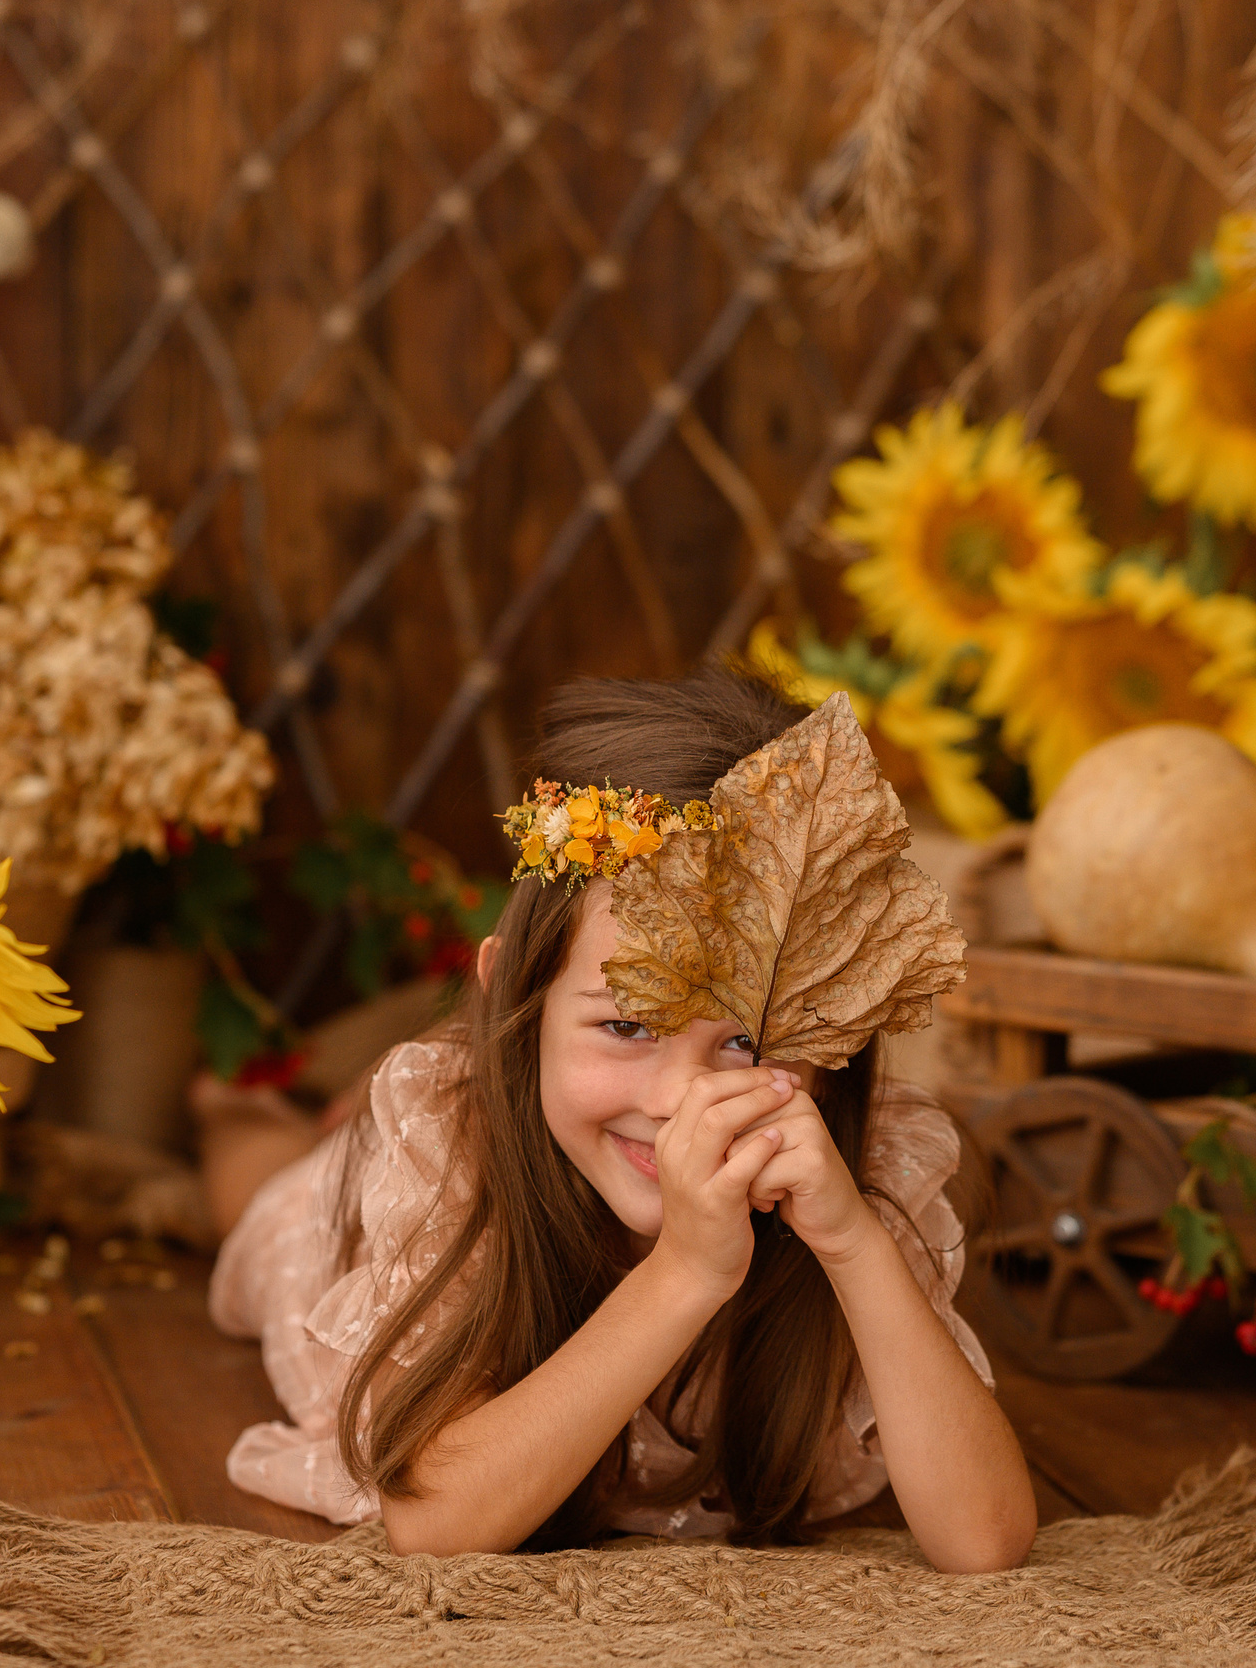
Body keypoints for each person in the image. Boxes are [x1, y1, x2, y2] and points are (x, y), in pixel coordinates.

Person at [202, 667, 1035, 1569]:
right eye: (626, 1024)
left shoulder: (858, 1171)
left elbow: (984, 1542)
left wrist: (854, 1243)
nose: (680, 1102)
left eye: (746, 1042)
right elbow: (434, 1525)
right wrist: (684, 1272)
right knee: (266, 1196)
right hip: (357, 1209)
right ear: (514, 1001)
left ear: (835, 1047)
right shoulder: (452, 1158)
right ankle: (230, 1105)